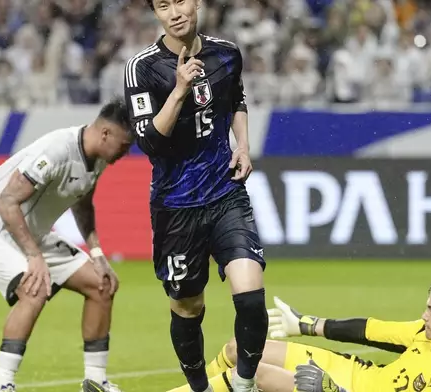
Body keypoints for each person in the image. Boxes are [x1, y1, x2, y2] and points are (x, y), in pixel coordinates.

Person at [122, 1, 268, 391]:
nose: (175, 12)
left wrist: (243, 145)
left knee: (251, 295)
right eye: (163, 5)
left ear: (197, 3)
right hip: (176, 206)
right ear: (156, 13)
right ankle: (200, 388)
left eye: (181, 1)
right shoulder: (143, 68)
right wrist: (180, 90)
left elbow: (235, 97)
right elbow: (149, 142)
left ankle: (244, 385)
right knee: (189, 307)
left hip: (225, 193)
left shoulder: (226, 52)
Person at [0, 100, 134, 392]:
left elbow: (83, 203)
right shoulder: (58, 150)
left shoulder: (99, 159)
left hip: (33, 232)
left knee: (101, 284)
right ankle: (2, 385)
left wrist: (97, 254)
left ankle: (95, 380)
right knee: (34, 290)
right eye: (124, 144)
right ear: (105, 133)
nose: (125, 152)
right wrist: (34, 256)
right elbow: (6, 202)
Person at [169, 277, 431, 392]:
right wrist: (306, 324)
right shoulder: (426, 333)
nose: (424, 316)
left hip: (345, 390)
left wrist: (335, 391)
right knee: (242, 349)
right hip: (352, 373)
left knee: (257, 375)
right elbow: (370, 330)